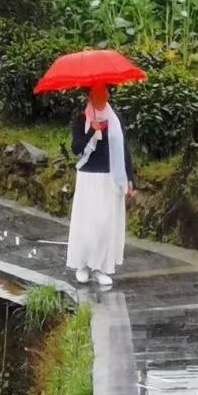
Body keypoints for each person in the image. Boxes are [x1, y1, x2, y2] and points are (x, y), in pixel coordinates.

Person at [66, 83, 135, 288]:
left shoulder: (116, 118)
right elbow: (76, 148)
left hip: (110, 176)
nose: (102, 98)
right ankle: (82, 265)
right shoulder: (82, 118)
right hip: (89, 177)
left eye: (104, 94)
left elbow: (123, 149)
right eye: (97, 95)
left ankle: (100, 267)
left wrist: (130, 177)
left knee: (105, 223)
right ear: (90, 97)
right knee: (88, 223)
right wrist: (91, 131)